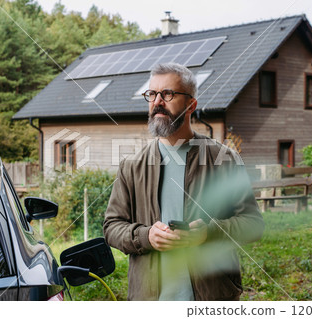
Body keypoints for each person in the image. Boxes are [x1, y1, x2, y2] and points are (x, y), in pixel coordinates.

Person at [103, 62, 264, 301]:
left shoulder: (224, 159)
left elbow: (253, 224)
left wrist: (208, 233)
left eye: (168, 94)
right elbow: (112, 227)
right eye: (152, 94)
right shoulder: (132, 165)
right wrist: (146, 236)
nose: (157, 101)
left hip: (212, 298)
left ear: (191, 104)